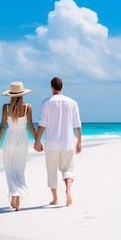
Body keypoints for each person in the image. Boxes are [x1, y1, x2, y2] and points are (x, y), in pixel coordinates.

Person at [34, 77, 82, 206]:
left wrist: (37, 141)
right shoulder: (72, 103)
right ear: (62, 87)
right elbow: (77, 125)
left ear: (51, 88)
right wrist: (79, 142)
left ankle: (55, 199)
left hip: (52, 144)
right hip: (68, 142)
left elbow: (42, 124)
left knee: (51, 171)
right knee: (68, 169)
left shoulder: (46, 103)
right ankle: (68, 189)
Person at [0, 81, 37, 211]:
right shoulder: (27, 107)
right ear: (22, 94)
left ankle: (14, 195)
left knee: (9, 168)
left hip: (10, 138)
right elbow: (30, 126)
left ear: (11, 95)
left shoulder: (5, 107)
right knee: (19, 169)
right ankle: (17, 196)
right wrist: (37, 141)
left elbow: (2, 126)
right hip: (22, 139)